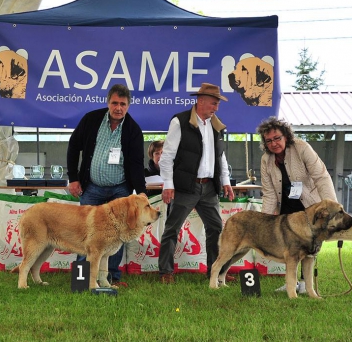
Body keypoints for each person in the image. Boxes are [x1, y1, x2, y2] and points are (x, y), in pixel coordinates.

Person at [67, 83, 146, 288]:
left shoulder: (133, 130)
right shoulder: (91, 120)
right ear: (107, 102)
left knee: (117, 236)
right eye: (114, 103)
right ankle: (82, 279)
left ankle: (110, 278)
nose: (118, 108)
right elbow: (73, 146)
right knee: (86, 234)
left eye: (123, 104)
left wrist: (142, 191)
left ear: (129, 105)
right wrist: (73, 178)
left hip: (120, 190)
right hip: (91, 187)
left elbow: (137, 164)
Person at [158, 83, 235, 284]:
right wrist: (168, 183)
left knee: (216, 228)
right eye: (213, 103)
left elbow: (221, 156)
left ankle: (215, 271)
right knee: (172, 229)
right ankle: (166, 271)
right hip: (185, 186)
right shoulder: (180, 121)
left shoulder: (216, 125)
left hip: (209, 187)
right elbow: (167, 156)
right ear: (200, 101)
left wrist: (225, 180)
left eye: (217, 104)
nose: (216, 107)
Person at [257, 116, 337, 294]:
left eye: (277, 138)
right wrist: (265, 222)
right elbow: (269, 193)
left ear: (286, 136)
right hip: (286, 207)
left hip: (309, 205)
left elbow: (321, 177)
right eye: (269, 141)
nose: (274, 143)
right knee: (291, 247)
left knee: (310, 246)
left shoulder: (302, 148)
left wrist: (331, 206)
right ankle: (291, 283)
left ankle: (304, 283)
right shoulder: (266, 160)